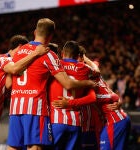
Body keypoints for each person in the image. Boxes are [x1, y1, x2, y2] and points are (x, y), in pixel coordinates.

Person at [7, 18, 96, 150]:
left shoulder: (20, 51)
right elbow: (68, 84)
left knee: (13, 147)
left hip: (15, 106)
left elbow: (9, 84)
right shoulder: (48, 55)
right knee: (35, 147)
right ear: (51, 36)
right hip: (34, 108)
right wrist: (88, 82)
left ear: (35, 31)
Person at [53, 46, 131, 150]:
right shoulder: (88, 73)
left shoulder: (87, 73)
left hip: (113, 120)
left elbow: (100, 96)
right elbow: (110, 92)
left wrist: (70, 103)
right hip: (106, 121)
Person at [0, 34, 49, 150]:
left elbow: (9, 84)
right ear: (20, 47)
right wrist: (35, 53)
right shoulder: (2, 58)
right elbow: (14, 68)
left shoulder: (8, 63)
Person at [48, 41, 97, 150]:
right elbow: (96, 71)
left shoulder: (55, 65)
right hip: (75, 122)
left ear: (62, 53)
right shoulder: (85, 69)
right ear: (77, 55)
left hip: (57, 119)